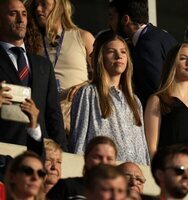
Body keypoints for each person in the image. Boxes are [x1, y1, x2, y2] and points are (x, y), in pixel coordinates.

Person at [70, 30, 150, 165]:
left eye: (123, 52)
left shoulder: (135, 101)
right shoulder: (88, 94)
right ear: (101, 57)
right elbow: (79, 141)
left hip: (133, 178)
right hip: (103, 175)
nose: (119, 56)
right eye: (111, 51)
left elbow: (143, 150)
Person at [0, 0, 68, 152]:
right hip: (3, 152)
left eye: (24, 14)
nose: (21, 19)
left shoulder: (43, 65)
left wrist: (64, 153)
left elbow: (54, 115)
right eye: (13, 14)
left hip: (39, 154)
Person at [24, 0, 94, 135]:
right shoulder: (32, 43)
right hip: (45, 120)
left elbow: (104, 78)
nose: (38, 9)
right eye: (36, 5)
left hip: (77, 119)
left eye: (44, 4)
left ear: (60, 6)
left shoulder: (83, 37)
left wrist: (85, 86)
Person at [108, 0, 177, 108]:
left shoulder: (145, 45)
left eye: (111, 17)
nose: (109, 23)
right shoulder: (162, 36)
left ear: (125, 19)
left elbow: (154, 92)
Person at [144, 42, 188, 158]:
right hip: (171, 171)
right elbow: (151, 149)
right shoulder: (158, 100)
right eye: (183, 58)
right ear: (172, 64)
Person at [47, 136, 117, 200]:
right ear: (86, 158)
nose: (103, 162)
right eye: (97, 157)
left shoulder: (120, 193)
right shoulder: (66, 186)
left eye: (109, 159)